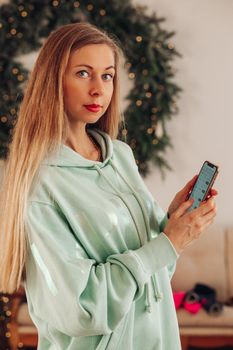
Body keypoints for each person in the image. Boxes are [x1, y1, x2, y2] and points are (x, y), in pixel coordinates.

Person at [0, 22, 217, 350]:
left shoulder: (120, 157)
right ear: (53, 80)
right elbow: (82, 309)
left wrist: (171, 224)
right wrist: (167, 243)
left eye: (108, 75)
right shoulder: (41, 184)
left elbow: (155, 272)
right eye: (83, 73)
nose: (98, 89)